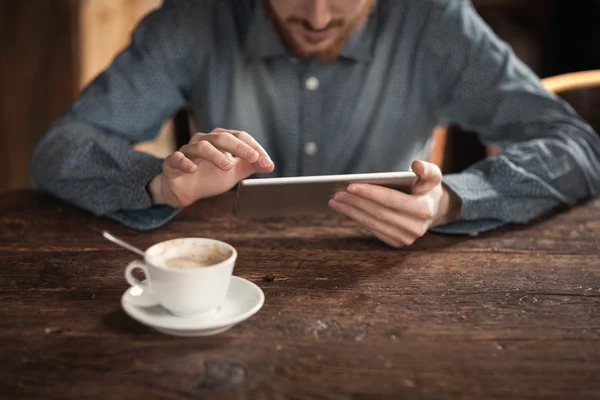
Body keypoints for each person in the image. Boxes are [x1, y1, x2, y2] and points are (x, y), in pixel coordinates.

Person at [30, 0, 600, 248]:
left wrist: (449, 201)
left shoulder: (435, 20)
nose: (319, 20)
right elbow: (61, 149)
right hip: (223, 281)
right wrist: (159, 182)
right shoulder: (196, 17)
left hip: (388, 282)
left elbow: (578, 147)